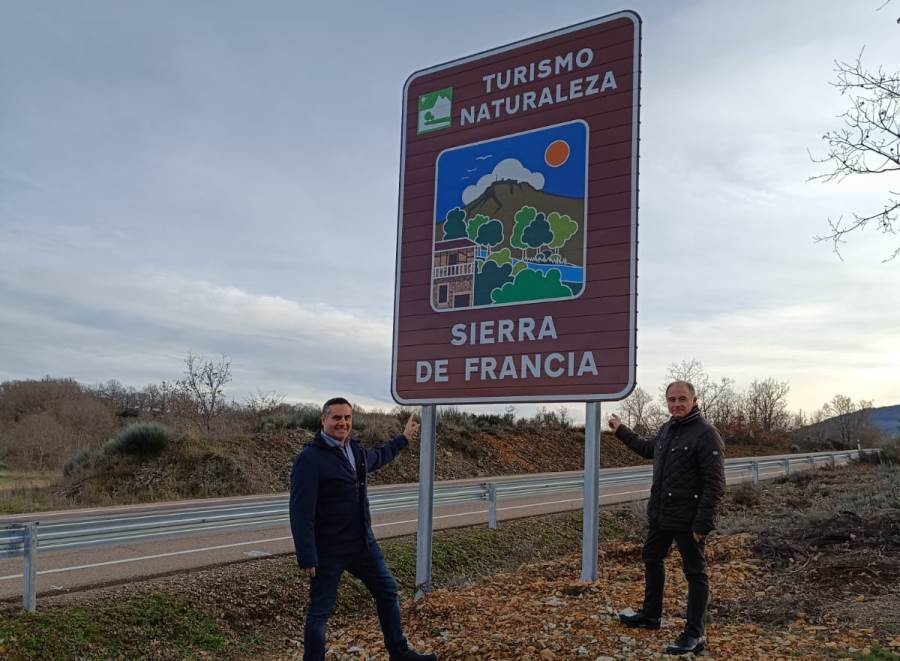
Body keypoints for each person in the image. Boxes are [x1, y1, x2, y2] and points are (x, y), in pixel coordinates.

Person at [289, 397, 436, 661]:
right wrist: (306, 554)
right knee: (320, 612)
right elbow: (300, 512)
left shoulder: (354, 450)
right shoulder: (309, 459)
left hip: (362, 545)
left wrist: (402, 439)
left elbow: (377, 457)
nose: (342, 423)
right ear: (323, 420)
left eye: (347, 418)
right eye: (336, 418)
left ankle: (399, 653)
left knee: (388, 592)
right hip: (328, 550)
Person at [607, 381, 726, 656]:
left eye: (682, 399)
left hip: (689, 519)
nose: (676, 404)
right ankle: (651, 616)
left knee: (695, 573)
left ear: (694, 400)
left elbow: (715, 483)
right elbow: (649, 449)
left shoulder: (706, 434)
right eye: (671, 400)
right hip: (661, 515)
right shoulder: (668, 428)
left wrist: (703, 524)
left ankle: (695, 634)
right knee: (651, 558)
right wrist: (621, 431)